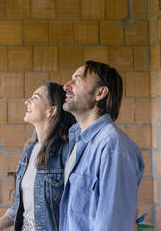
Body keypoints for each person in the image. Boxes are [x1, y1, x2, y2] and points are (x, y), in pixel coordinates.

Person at [59, 61, 144, 231]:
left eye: (77, 79)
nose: (66, 86)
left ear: (100, 93)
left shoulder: (113, 147)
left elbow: (114, 225)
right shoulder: (79, 142)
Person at [0, 81, 76, 231]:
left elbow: (74, 209)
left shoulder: (67, 152)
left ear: (51, 110)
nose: (27, 102)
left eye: (35, 98)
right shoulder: (30, 149)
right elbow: (21, 207)